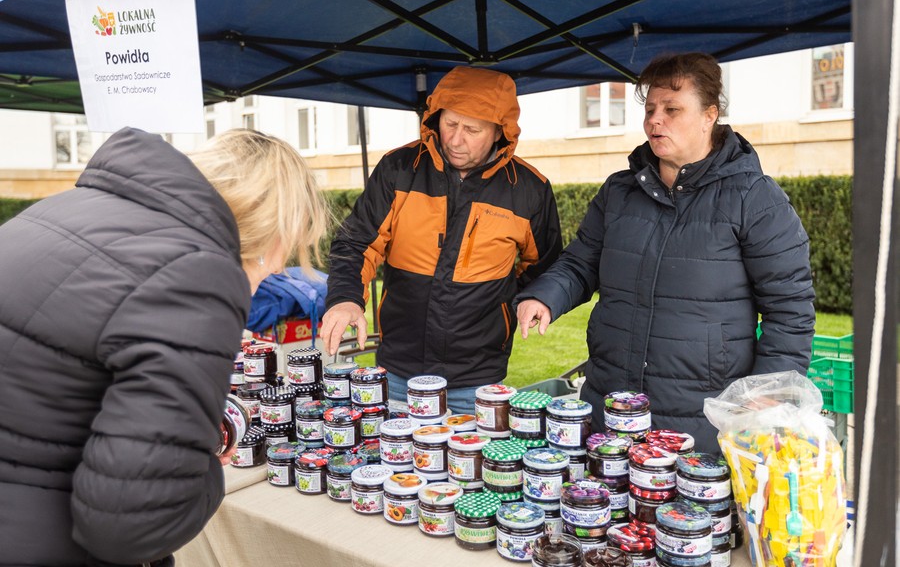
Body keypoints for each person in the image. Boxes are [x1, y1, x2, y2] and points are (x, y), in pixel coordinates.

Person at [0, 127, 328, 566]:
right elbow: (131, 525)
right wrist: (202, 465)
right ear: (276, 233)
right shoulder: (200, 274)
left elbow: (60, 386)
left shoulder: (63, 209)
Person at [516, 53, 815, 453]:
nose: (655, 120)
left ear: (710, 115)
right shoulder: (619, 191)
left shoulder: (755, 198)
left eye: (672, 109)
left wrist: (768, 391)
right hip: (610, 405)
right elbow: (581, 261)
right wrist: (545, 294)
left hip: (702, 419)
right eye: (651, 109)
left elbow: (791, 311)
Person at [322, 66, 562, 414]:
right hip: (398, 369)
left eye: (472, 129)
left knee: (472, 465)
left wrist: (510, 305)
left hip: (478, 374)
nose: (455, 139)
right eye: (450, 124)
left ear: (500, 132)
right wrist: (345, 299)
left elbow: (546, 266)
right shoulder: (399, 168)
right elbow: (356, 243)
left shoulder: (529, 189)